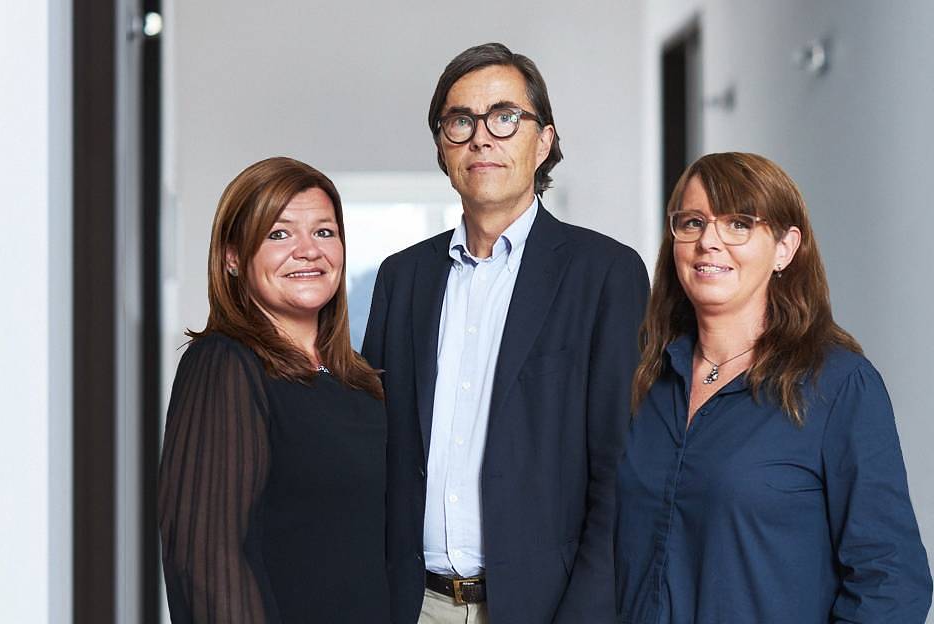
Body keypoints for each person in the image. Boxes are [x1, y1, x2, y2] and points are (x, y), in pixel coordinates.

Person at [362, 42, 649, 624]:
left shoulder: (605, 274)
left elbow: (620, 474)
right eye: (460, 121)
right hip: (413, 606)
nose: (481, 138)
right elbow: (373, 452)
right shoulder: (401, 278)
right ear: (442, 148)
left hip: (543, 608)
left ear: (543, 142)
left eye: (504, 117)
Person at [614, 152, 932, 623]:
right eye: (693, 222)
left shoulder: (837, 386)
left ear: (785, 248)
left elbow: (891, 580)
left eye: (738, 224)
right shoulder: (648, 377)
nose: (709, 242)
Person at [158, 157, 389, 623]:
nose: (308, 251)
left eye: (324, 232)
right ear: (233, 257)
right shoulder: (225, 364)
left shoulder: (358, 380)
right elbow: (204, 560)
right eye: (279, 234)